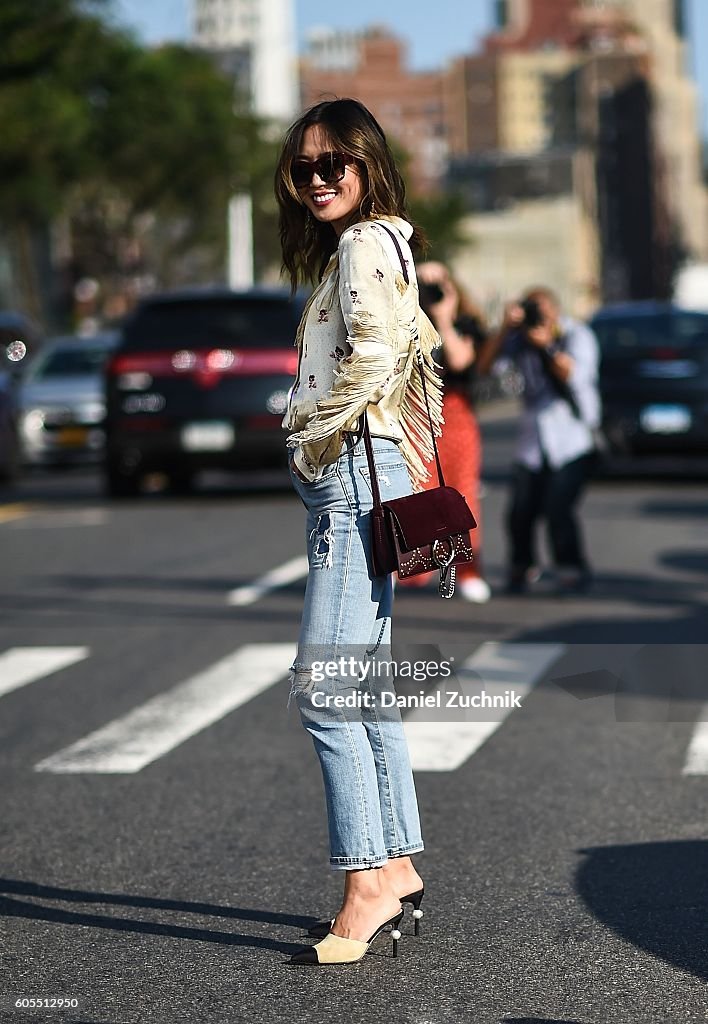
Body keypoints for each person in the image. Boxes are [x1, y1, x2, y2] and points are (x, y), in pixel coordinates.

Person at [274, 98, 442, 965]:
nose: (317, 180)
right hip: (364, 477)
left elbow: (377, 354)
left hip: (348, 479)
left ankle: (365, 883)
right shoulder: (386, 244)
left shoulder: (363, 245)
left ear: (368, 164)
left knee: (325, 691)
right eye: (304, 168)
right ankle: (397, 862)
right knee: (363, 686)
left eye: (334, 163)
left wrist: (316, 436)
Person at [475, 286, 600, 594]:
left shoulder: (576, 335)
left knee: (558, 507)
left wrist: (547, 346)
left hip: (572, 438)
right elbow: (484, 368)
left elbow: (573, 375)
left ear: (555, 310)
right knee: (520, 509)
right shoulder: (518, 339)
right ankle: (522, 565)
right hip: (532, 441)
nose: (537, 318)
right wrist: (505, 329)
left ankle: (571, 567)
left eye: (541, 311)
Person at [411, 261, 490, 602]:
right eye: (423, 282)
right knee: (418, 491)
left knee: (461, 494)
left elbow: (460, 361)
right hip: (416, 414)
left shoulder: (464, 323)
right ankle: (416, 568)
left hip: (455, 415)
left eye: (438, 282)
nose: (431, 289)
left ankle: (467, 570)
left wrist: (444, 318)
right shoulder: (405, 321)